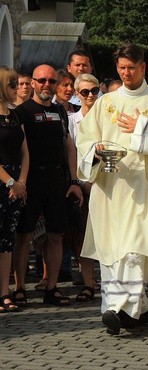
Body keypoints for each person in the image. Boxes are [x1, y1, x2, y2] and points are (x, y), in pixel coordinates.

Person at [76, 43, 148, 335]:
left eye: (131, 67)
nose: (126, 73)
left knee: (135, 249)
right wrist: (96, 149)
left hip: (145, 188)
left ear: (143, 67)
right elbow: (85, 138)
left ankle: (119, 308)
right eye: (121, 68)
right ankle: (133, 310)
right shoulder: (106, 103)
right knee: (113, 248)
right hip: (112, 187)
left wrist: (142, 128)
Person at [13, 64, 83, 307]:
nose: (46, 85)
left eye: (51, 81)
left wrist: (73, 181)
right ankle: (20, 287)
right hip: (31, 180)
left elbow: (69, 147)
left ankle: (51, 288)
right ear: (32, 82)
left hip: (56, 180)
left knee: (56, 235)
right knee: (24, 235)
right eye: (41, 80)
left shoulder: (60, 112)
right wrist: (20, 181)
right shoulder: (21, 112)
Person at [67, 73, 101, 301]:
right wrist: (79, 182)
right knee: (83, 236)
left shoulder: (107, 118)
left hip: (106, 185)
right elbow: (70, 154)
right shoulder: (71, 121)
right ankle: (88, 282)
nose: (90, 95)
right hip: (81, 185)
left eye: (94, 90)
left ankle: (110, 282)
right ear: (77, 94)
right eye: (85, 92)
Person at [0, 67, 28, 313]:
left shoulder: (15, 115)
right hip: (3, 182)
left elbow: (25, 151)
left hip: (16, 184)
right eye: (12, 84)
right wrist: (10, 181)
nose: (16, 88)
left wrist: (22, 182)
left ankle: (4, 293)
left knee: (7, 241)